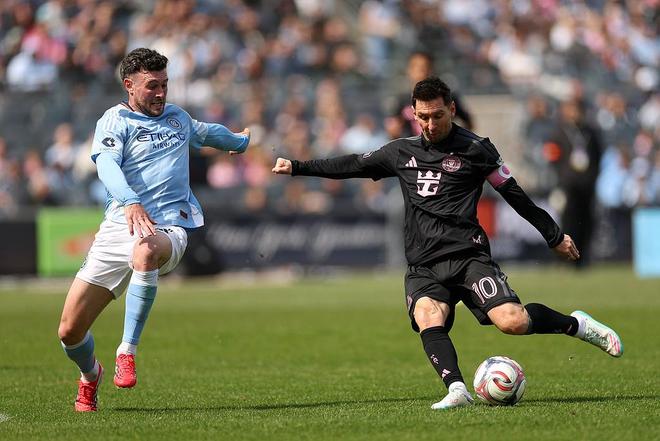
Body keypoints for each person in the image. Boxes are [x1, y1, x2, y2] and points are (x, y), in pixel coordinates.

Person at [272, 77, 622, 410]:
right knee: (428, 315)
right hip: (424, 264)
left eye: (437, 115)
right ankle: (457, 388)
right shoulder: (401, 152)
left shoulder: (477, 149)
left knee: (511, 322)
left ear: (452, 109)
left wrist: (554, 236)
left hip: (468, 257)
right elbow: (352, 164)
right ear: (413, 113)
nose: (430, 124)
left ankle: (576, 325)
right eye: (422, 117)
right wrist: (297, 166)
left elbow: (515, 195)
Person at [57, 48, 250, 412]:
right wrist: (130, 201)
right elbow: (107, 166)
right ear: (129, 85)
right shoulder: (114, 121)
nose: (161, 93)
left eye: (164, 84)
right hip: (120, 226)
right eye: (151, 86)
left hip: (168, 227)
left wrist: (239, 141)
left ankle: (126, 351)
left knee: (145, 251)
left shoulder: (177, 118)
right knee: (69, 331)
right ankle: (90, 375)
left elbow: (207, 133)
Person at [385, 51, 473, 140]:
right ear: (409, 71)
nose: (422, 73)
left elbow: (468, 122)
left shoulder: (446, 97)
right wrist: (394, 131)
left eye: (426, 68)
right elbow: (392, 130)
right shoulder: (401, 101)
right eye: (418, 69)